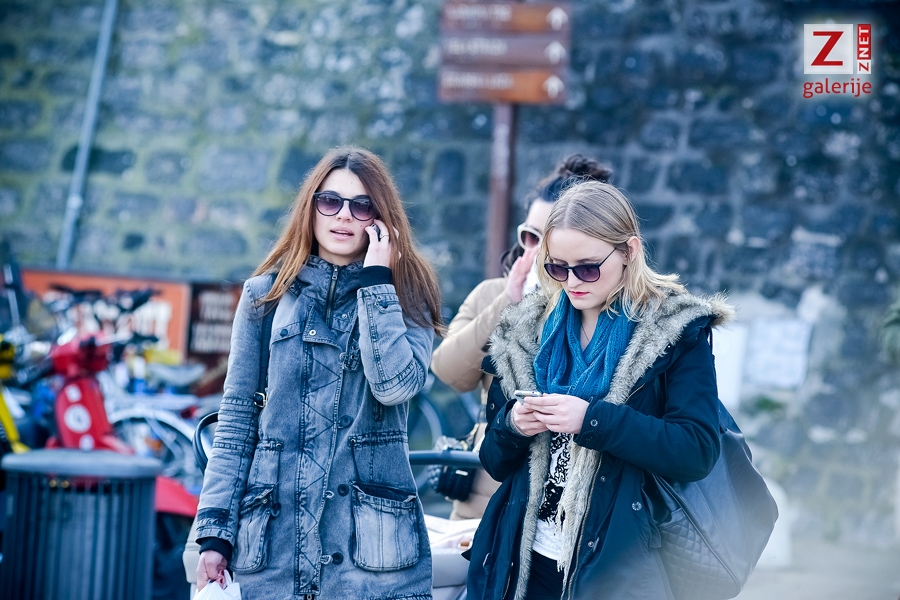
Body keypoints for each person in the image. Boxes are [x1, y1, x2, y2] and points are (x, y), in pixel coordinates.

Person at [194, 146, 443, 600]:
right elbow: (236, 419)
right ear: (310, 208)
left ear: (381, 219)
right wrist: (214, 533)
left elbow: (395, 387)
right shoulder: (264, 297)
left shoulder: (408, 297)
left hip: (371, 557)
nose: (344, 215)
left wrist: (377, 285)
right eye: (330, 201)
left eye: (362, 205)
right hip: (273, 545)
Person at [466, 181, 734, 600]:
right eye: (557, 268)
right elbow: (495, 463)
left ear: (629, 251)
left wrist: (591, 421)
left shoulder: (674, 332)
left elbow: (696, 451)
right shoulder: (525, 330)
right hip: (524, 562)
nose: (572, 281)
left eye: (588, 268)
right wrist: (513, 425)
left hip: (617, 569)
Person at [430, 154, 613, 520]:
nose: (534, 253)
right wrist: (507, 302)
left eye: (547, 241)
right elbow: (449, 371)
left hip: (566, 509)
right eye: (529, 237)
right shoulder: (492, 294)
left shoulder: (598, 310)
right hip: (485, 501)